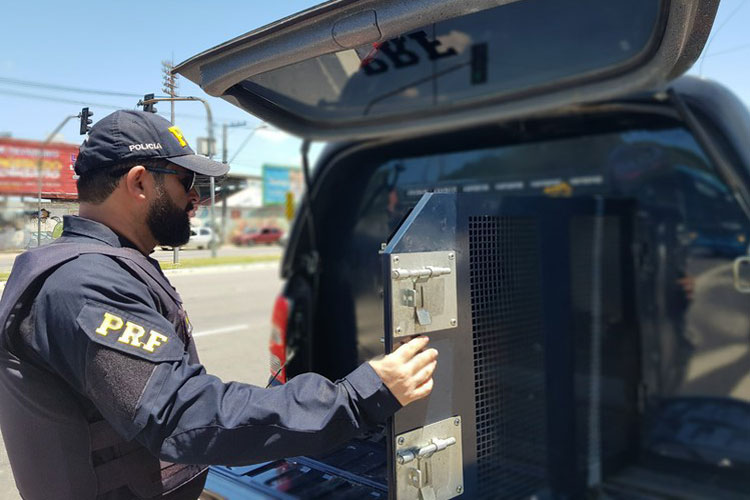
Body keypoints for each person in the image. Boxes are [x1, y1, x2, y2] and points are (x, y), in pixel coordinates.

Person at [0, 110, 438, 500]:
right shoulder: (83, 284)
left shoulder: (98, 265)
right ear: (138, 182)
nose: (197, 200)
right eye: (185, 182)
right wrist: (358, 399)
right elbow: (184, 415)